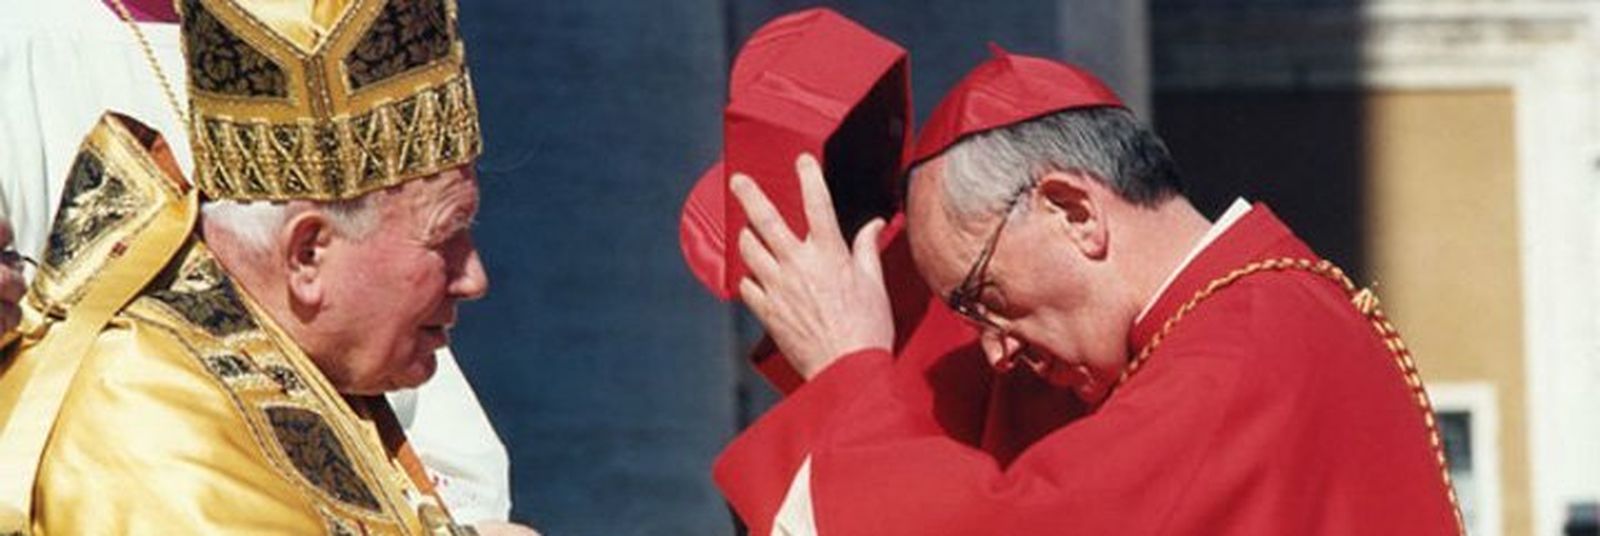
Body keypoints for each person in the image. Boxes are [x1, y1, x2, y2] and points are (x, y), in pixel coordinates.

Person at [718, 46, 1463, 535]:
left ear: (1073, 212)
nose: (995, 347)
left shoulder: (1241, 347)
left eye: (984, 296)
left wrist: (847, 376)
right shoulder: (1258, 315)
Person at [0, 0, 535, 533]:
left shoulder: (308, 347)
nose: (476, 280)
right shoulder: (161, 444)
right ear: (305, 254)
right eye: (445, 236)